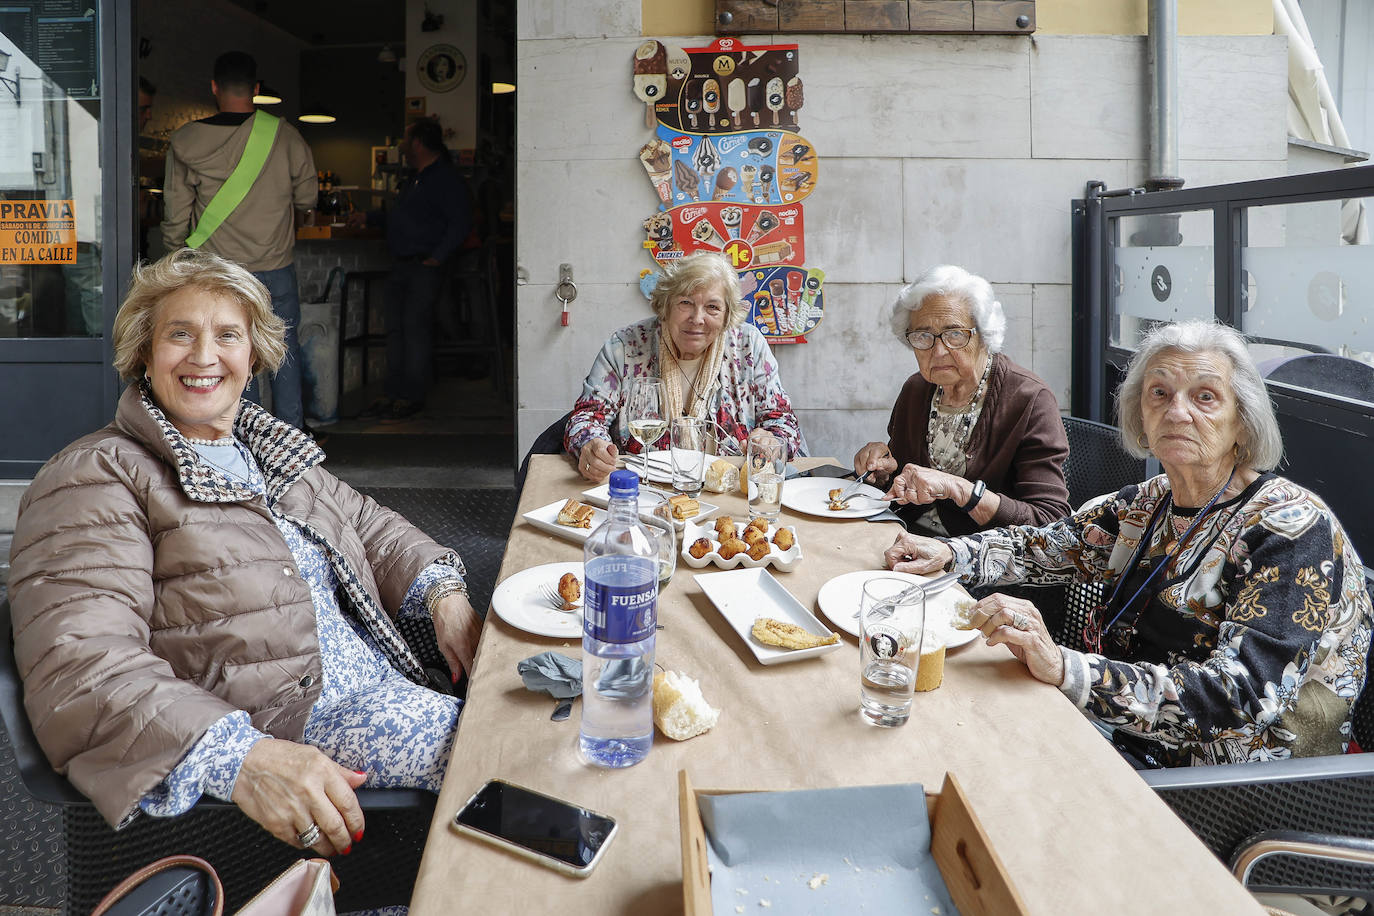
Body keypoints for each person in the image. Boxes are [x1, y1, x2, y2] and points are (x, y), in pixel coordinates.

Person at [8, 249, 482, 855]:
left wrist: (444, 597)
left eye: (227, 335)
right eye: (180, 334)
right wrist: (240, 756)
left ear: (252, 355)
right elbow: (81, 660)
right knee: (509, 749)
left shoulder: (266, 450)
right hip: (292, 718)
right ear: (143, 354)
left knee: (562, 702)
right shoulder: (96, 475)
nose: (204, 357)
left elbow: (368, 524)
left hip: (390, 675)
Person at [886, 320, 1373, 766]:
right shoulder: (1148, 502)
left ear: (1242, 422)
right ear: (1140, 415)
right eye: (1159, 393)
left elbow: (1238, 697)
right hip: (1123, 733)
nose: (1176, 411)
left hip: (1227, 779)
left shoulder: (1290, 529)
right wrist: (950, 554)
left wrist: (1065, 668)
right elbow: (1047, 547)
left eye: (1205, 397)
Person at [161, 51, 317, 430]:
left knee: (229, 354)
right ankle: (291, 440)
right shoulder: (285, 136)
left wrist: (172, 257)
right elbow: (308, 199)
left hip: (219, 273)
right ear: (257, 90)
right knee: (285, 352)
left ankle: (245, 440)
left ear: (214, 87)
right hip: (275, 267)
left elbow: (176, 214)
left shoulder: (186, 142)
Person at [853, 265, 1069, 536]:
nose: (939, 350)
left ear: (984, 335)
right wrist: (883, 473)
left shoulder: (1031, 400)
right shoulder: (917, 388)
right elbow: (904, 482)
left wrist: (961, 490)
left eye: (955, 334)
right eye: (923, 336)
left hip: (980, 555)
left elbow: (1049, 522)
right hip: (904, 534)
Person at [565, 251, 806, 482]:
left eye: (712, 307)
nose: (697, 318)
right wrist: (591, 445)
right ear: (665, 305)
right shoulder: (626, 346)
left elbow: (782, 421)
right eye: (686, 302)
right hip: (642, 487)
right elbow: (587, 418)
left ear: (727, 314)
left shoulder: (748, 346)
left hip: (727, 490)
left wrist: (773, 440)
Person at [354, 117, 472, 421]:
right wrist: (370, 219)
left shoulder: (444, 179)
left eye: (407, 141)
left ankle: (411, 396)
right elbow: (399, 218)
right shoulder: (413, 179)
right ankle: (393, 393)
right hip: (402, 263)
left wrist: (437, 257)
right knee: (396, 328)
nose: (403, 147)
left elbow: (460, 223)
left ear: (418, 143)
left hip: (423, 265)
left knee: (414, 329)